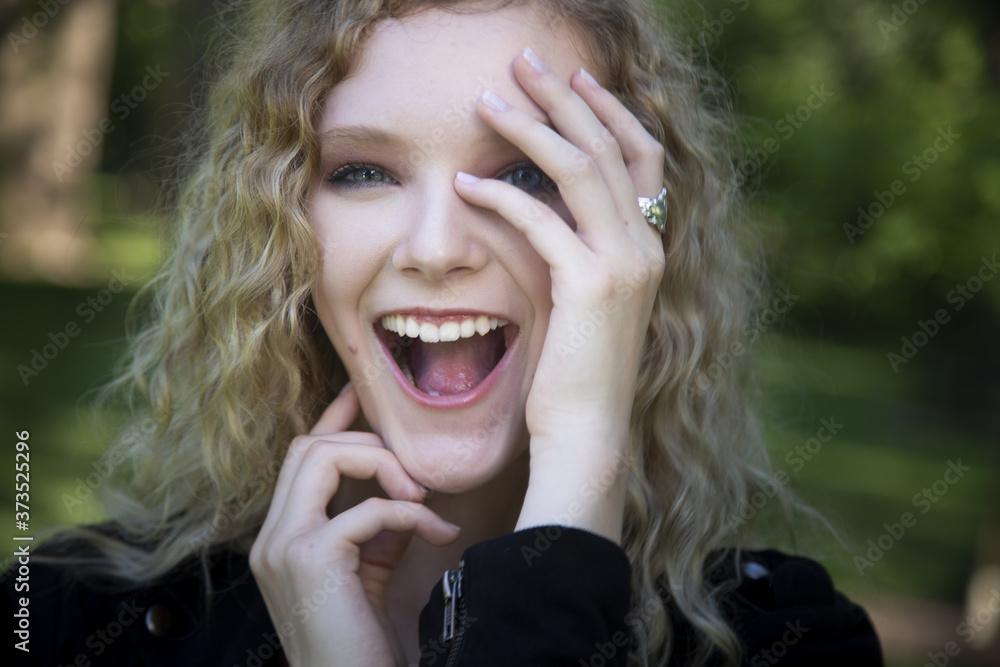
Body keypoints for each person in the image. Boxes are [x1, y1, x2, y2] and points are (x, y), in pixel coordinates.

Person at [5, 0, 883, 665]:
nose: (435, 248)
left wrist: (582, 465)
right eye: (362, 171)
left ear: (632, 240)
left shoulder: (793, 640)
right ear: (281, 227)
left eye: (531, 172)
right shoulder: (58, 618)